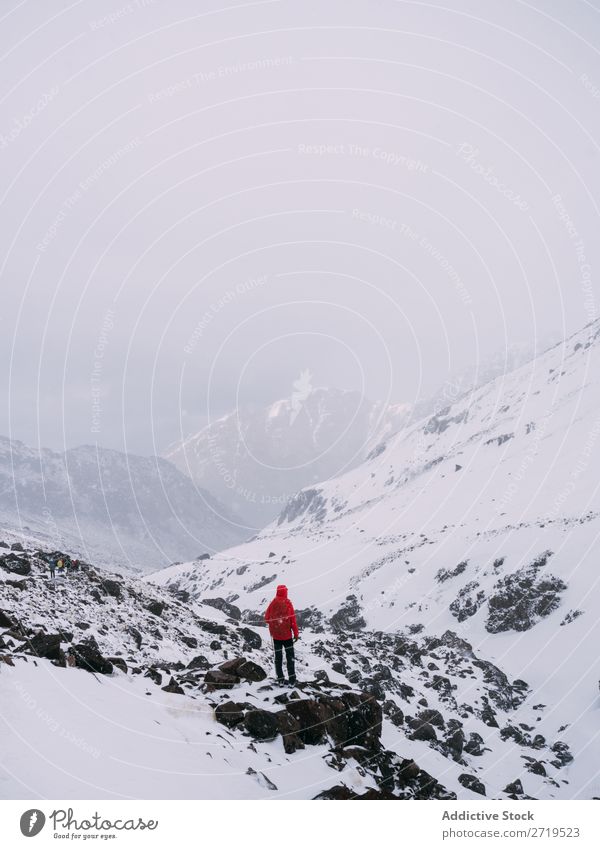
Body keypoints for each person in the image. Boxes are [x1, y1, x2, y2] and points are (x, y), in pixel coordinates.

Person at [264, 584, 299, 685]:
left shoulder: (273, 603)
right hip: (287, 637)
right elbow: (293, 620)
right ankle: (292, 680)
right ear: (285, 592)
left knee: (278, 659)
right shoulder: (288, 603)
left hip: (276, 637)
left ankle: (280, 680)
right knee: (290, 658)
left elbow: (266, 618)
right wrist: (296, 633)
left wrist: (274, 623)